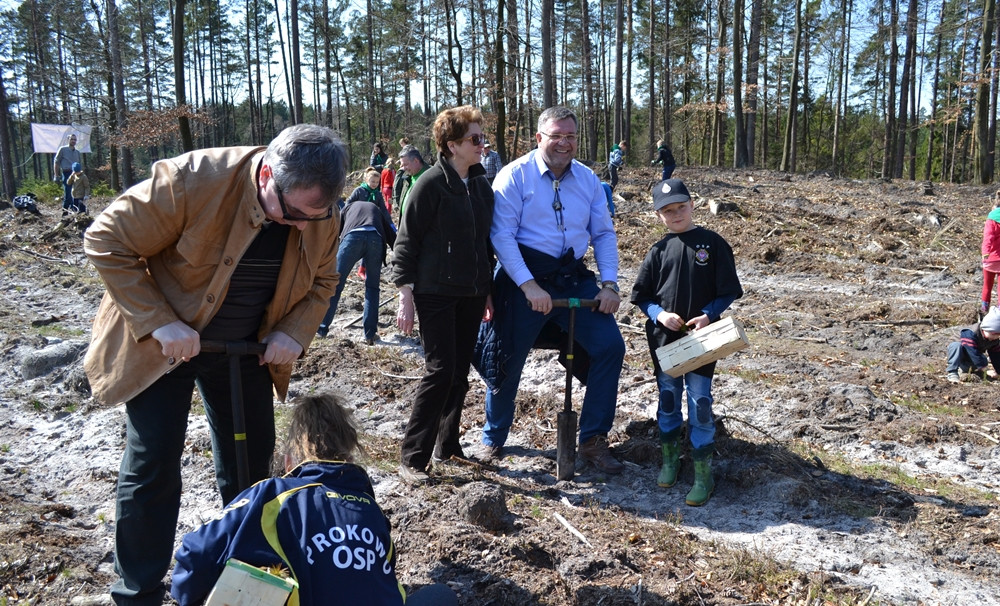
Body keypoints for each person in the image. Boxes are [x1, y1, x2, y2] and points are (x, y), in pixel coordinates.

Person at [83, 123, 347, 606]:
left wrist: (293, 332)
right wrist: (160, 322)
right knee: (153, 466)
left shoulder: (319, 211)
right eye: (293, 213)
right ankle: (137, 590)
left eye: (317, 215)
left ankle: (249, 580)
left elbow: (324, 281)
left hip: (246, 350)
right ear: (267, 173)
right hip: (162, 346)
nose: (304, 226)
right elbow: (106, 240)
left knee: (252, 468)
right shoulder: (192, 180)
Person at [170, 393, 458, 606]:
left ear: (289, 460)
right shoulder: (370, 509)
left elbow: (192, 555)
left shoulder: (270, 494)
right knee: (442, 596)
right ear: (348, 455)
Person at [477, 106, 625, 474]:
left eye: (571, 136)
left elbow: (604, 234)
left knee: (610, 346)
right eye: (556, 136)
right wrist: (528, 285)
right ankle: (493, 437)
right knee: (505, 355)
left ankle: (592, 439)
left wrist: (609, 284)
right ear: (539, 137)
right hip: (522, 276)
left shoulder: (589, 180)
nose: (564, 143)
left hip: (573, 275)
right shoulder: (513, 176)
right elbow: (501, 236)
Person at [391, 105, 495, 484]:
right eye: (475, 139)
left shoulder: (481, 185)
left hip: (471, 293)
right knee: (440, 371)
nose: (482, 144)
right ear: (452, 145)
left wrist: (486, 290)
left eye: (482, 137)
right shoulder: (430, 184)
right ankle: (412, 458)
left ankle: (448, 446)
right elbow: (406, 242)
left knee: (460, 373)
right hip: (435, 292)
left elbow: (484, 243)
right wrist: (406, 294)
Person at [629, 179, 743, 507]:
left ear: (692, 205)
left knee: (700, 404)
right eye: (667, 210)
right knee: (668, 399)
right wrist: (659, 315)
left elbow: (728, 291)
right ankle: (670, 460)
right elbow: (641, 296)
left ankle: (703, 473)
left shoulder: (713, 243)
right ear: (658, 215)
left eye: (681, 207)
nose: (676, 214)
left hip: (702, 340)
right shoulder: (658, 251)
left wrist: (709, 314)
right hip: (664, 340)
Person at [318, 168, 396, 344]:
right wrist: (399, 251)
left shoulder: (348, 209)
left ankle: (322, 329)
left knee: (336, 284)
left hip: (353, 237)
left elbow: (336, 231)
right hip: (376, 238)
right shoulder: (374, 208)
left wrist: (326, 254)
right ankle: (369, 334)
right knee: (372, 287)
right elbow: (390, 232)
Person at [946, 306, 1000, 383]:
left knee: (984, 361)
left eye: (998, 335)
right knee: (956, 346)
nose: (996, 337)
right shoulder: (970, 333)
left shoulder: (993, 340)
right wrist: (985, 370)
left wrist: (998, 372)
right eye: (994, 334)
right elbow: (973, 352)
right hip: (960, 353)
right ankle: (953, 372)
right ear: (986, 329)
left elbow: (996, 356)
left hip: (971, 357)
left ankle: (965, 370)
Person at [394, 144, 429, 222]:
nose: (403, 168)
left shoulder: (432, 176)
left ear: (416, 161)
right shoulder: (406, 176)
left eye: (406, 164)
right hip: (406, 226)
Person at [981, 192, 1000, 315]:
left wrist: (985, 252)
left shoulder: (992, 218)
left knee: (987, 286)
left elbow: (988, 236)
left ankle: (984, 310)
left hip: (991, 259)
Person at [53, 134, 82, 210]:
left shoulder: (77, 152)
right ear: (68, 140)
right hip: (67, 173)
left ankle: (73, 209)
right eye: (72, 139)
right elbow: (56, 162)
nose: (73, 141)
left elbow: (80, 164)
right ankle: (65, 210)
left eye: (75, 140)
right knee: (68, 193)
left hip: (76, 174)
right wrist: (56, 175)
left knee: (76, 193)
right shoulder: (62, 149)